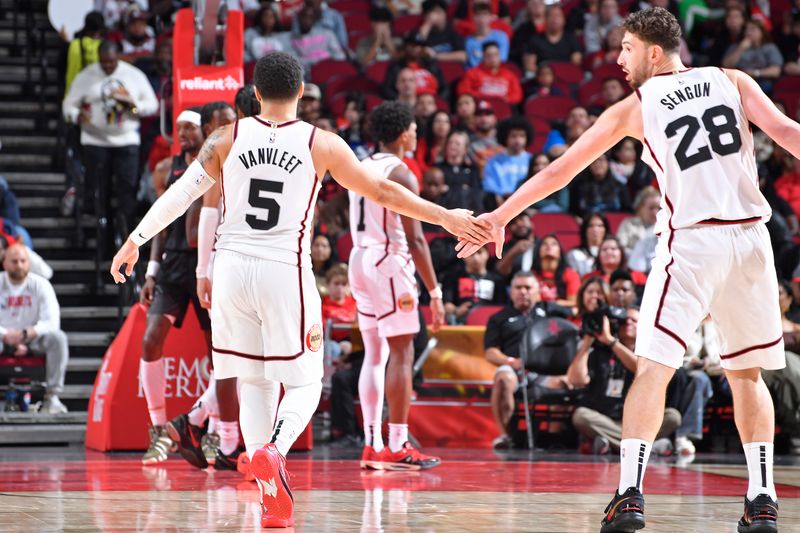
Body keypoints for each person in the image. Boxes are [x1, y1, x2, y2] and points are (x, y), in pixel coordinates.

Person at [110, 52, 489, 528]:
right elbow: (385, 192)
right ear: (302, 90)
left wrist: (134, 241)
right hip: (281, 268)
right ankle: (274, 449)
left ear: (256, 90)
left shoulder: (226, 136)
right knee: (306, 381)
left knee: (252, 379)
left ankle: (265, 484)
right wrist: (447, 216)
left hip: (229, 268)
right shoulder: (321, 143)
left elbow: (182, 191)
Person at [458, 8, 791, 531]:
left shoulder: (637, 105)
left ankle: (629, 494)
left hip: (692, 242)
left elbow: (563, 168)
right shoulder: (732, 80)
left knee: (655, 367)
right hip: (751, 241)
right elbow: (789, 133)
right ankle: (763, 498)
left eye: (627, 48)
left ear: (653, 53)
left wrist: (501, 215)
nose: (619, 58)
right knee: (747, 374)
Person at [348, 102, 446, 471]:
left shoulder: (359, 166)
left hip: (359, 259)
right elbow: (417, 239)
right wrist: (435, 292)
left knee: (376, 354)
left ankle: (373, 444)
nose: (418, 134)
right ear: (403, 132)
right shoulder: (401, 173)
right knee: (401, 353)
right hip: (389, 261)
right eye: (415, 128)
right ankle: (398, 442)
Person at [62, 40, 158, 279]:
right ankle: (101, 244)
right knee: (98, 192)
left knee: (126, 192)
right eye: (103, 62)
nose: (107, 67)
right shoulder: (86, 75)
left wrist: (133, 107)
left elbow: (152, 105)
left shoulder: (133, 75)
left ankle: (125, 241)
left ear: (119, 58)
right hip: (94, 141)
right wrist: (77, 115)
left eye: (111, 62)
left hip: (126, 140)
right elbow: (68, 105)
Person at [568, 307, 682, 453]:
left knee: (673, 416)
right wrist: (587, 342)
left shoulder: (648, 352)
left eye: (634, 320)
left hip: (638, 422)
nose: (628, 323)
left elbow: (640, 369)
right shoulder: (601, 351)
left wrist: (612, 342)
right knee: (580, 416)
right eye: (623, 321)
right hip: (605, 420)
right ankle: (644, 448)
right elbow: (575, 380)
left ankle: (615, 445)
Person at [484, 271, 572, 448]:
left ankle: (562, 438)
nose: (523, 291)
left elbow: (578, 309)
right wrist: (510, 362)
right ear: (511, 292)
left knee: (573, 380)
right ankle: (505, 437)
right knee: (503, 378)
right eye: (518, 287)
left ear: (538, 291)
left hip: (547, 371)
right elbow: (490, 352)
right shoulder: (499, 317)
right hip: (516, 369)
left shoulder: (549, 310)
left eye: (528, 287)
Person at [0, 245, 69, 414]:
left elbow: (52, 322)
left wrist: (25, 334)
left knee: (58, 338)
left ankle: (52, 397)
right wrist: (5, 335)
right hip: (2, 339)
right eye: (14, 261)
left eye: (23, 261)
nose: (19, 265)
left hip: (32, 340)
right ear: (5, 263)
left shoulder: (41, 285)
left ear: (29, 263)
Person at [442, 245, 506, 324]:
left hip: (489, 321)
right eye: (471, 253)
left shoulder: (497, 280)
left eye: (479, 252)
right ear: (463, 256)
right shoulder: (451, 278)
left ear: (487, 254)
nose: (475, 258)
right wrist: (457, 310)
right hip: (461, 322)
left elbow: (501, 307)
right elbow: (446, 305)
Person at [482, 116, 533, 205]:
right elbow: (488, 184)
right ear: (505, 137)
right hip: (501, 203)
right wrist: (501, 194)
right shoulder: (494, 161)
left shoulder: (532, 160)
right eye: (513, 136)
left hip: (529, 203)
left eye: (522, 136)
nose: (518, 140)